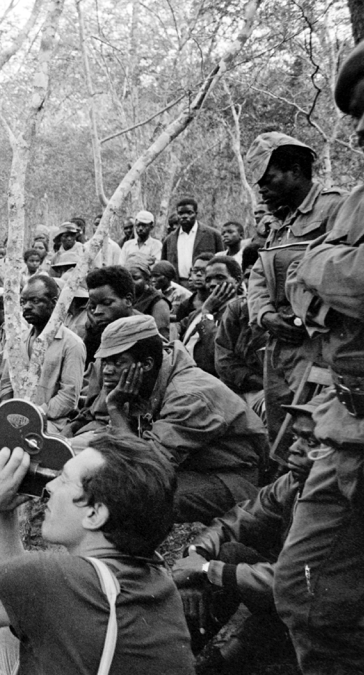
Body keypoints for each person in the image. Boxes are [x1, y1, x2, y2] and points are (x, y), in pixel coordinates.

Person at [0, 433, 195, 675]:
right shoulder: (155, 579)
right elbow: (13, 597)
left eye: (63, 480)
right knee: (9, 643)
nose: (49, 486)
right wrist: (1, 512)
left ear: (94, 514)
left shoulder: (55, 579)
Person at [275, 43, 364, 673]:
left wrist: (316, 268)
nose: (359, 127)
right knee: (303, 592)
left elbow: (331, 277)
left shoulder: (338, 204)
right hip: (346, 424)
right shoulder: (359, 199)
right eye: (354, 114)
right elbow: (292, 281)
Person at [172, 396, 320, 673]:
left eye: (312, 442)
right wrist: (197, 556)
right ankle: (180, 654)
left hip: (327, 619)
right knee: (226, 553)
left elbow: (297, 581)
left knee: (246, 643)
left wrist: (207, 570)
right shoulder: (293, 482)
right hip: (294, 603)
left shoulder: (347, 505)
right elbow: (234, 522)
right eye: (297, 437)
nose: (293, 449)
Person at [69, 315, 262, 524]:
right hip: (190, 468)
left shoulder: (188, 396)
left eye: (117, 362)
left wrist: (114, 407)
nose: (107, 370)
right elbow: (120, 442)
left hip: (233, 478)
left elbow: (143, 469)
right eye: (105, 361)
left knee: (136, 498)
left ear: (147, 364)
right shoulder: (142, 380)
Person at [245, 132, 344, 464]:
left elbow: (347, 276)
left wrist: (307, 316)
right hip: (278, 347)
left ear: (297, 170)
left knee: (313, 439)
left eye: (268, 178)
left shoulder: (337, 207)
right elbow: (259, 275)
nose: (261, 188)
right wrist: (264, 316)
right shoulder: (278, 222)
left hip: (320, 346)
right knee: (280, 437)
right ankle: (283, 509)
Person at [0, 275, 85, 432]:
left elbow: (68, 398)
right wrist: (7, 412)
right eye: (23, 302)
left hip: (50, 423)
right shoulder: (18, 341)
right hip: (13, 417)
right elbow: (6, 385)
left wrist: (35, 414)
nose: (27, 307)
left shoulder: (72, 344)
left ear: (54, 303)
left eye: (35, 301)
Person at [179, 255, 243, 378]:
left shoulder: (241, 314)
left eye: (220, 277)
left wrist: (206, 313)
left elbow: (217, 353)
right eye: (208, 280)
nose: (212, 284)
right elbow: (176, 326)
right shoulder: (198, 313)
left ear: (237, 280)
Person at [162, 197, 224, 287]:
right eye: (180, 213)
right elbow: (164, 267)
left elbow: (221, 262)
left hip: (205, 285)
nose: (184, 216)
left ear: (196, 214)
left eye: (189, 213)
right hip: (177, 286)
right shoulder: (169, 239)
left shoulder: (213, 235)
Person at [127, 254, 170, 337]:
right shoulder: (126, 297)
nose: (130, 282)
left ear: (147, 279)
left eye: (135, 278)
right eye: (127, 278)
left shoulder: (159, 302)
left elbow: (161, 336)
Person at [174, 252, 214, 326]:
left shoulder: (220, 302)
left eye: (204, 271)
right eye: (195, 270)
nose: (198, 274)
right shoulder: (185, 305)